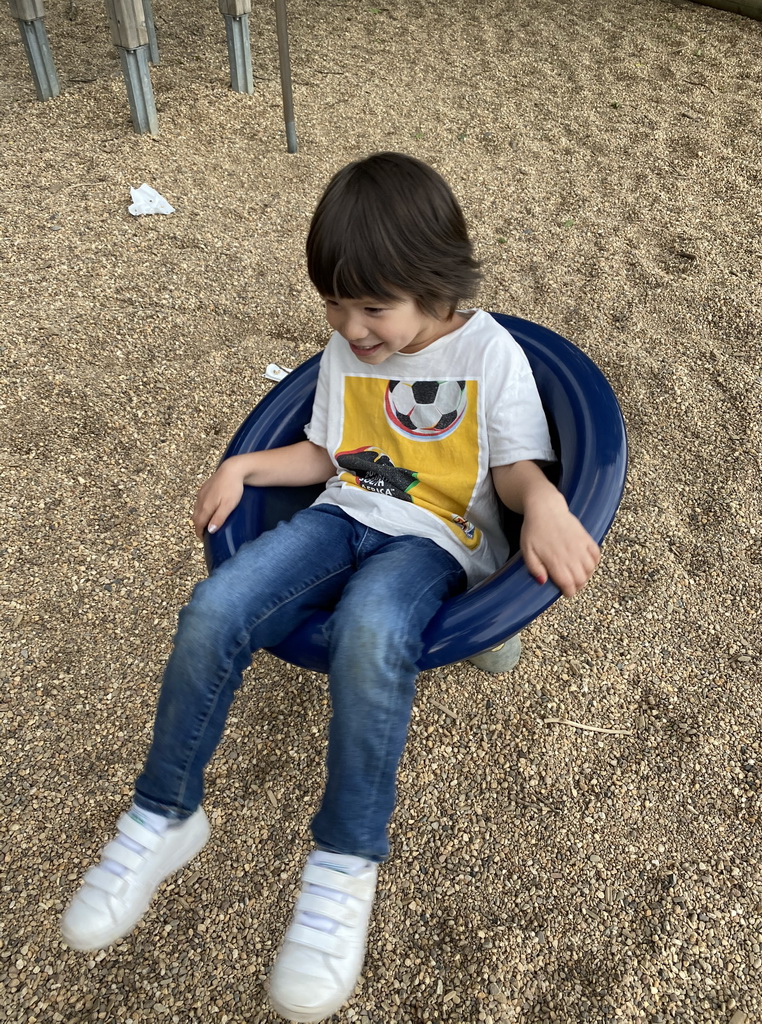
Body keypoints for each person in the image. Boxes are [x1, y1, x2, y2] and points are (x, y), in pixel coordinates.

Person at [60, 152, 600, 1022]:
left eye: (373, 307)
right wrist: (243, 463)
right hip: (344, 510)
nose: (352, 327)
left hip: (437, 538)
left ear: (437, 284)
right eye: (335, 304)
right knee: (216, 606)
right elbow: (329, 453)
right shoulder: (347, 349)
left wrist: (543, 505)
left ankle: (345, 864)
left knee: (368, 629)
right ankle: (163, 817)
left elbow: (512, 469)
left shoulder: (491, 354)